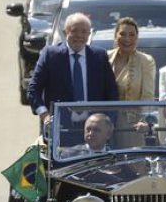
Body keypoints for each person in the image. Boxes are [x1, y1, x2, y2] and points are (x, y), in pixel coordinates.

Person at [28, 13, 119, 141]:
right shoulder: (51, 55)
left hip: (94, 131)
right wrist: (45, 115)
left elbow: (112, 92)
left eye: (84, 32)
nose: (79, 36)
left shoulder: (99, 56)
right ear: (66, 32)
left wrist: (109, 121)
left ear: (89, 34)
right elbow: (33, 90)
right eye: (74, 31)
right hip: (60, 129)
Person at [108, 17, 156, 147]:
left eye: (131, 35)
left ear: (137, 38)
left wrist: (145, 122)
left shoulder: (146, 61)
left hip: (132, 125)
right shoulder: (105, 57)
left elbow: (148, 96)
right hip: (106, 124)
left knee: (132, 164)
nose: (127, 39)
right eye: (122, 34)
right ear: (115, 36)